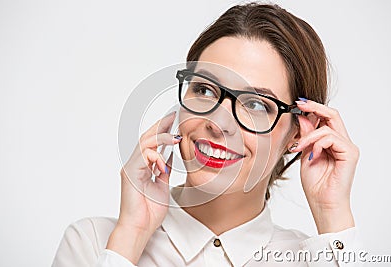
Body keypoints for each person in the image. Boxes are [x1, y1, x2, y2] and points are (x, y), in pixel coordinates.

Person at [52, 2, 362, 266]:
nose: (218, 122)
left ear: (299, 133)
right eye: (204, 89)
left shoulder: (316, 259)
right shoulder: (93, 244)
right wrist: (130, 236)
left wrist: (332, 214)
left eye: (255, 104)